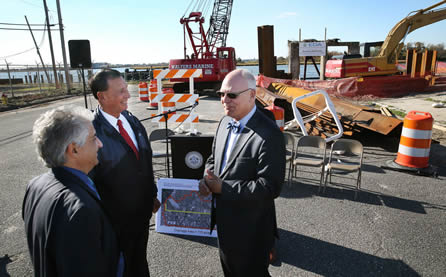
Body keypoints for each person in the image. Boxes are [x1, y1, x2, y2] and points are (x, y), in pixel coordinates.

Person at [199, 69, 286, 276]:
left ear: (252, 95)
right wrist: (206, 178)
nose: (224, 100)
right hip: (225, 225)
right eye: (221, 94)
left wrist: (223, 188)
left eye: (232, 95)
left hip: (252, 231)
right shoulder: (224, 123)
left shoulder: (269, 134)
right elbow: (214, 159)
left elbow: (270, 187)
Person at [23, 106, 120, 277]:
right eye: (93, 138)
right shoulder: (80, 209)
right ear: (74, 149)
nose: (100, 143)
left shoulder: (35, 186)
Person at [88, 69, 160, 277]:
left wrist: (152, 193)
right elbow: (90, 181)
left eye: (126, 89)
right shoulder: (92, 133)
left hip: (141, 214)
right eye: (121, 91)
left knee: (139, 263)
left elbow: (145, 161)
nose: (128, 95)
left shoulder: (132, 121)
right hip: (114, 223)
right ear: (101, 96)